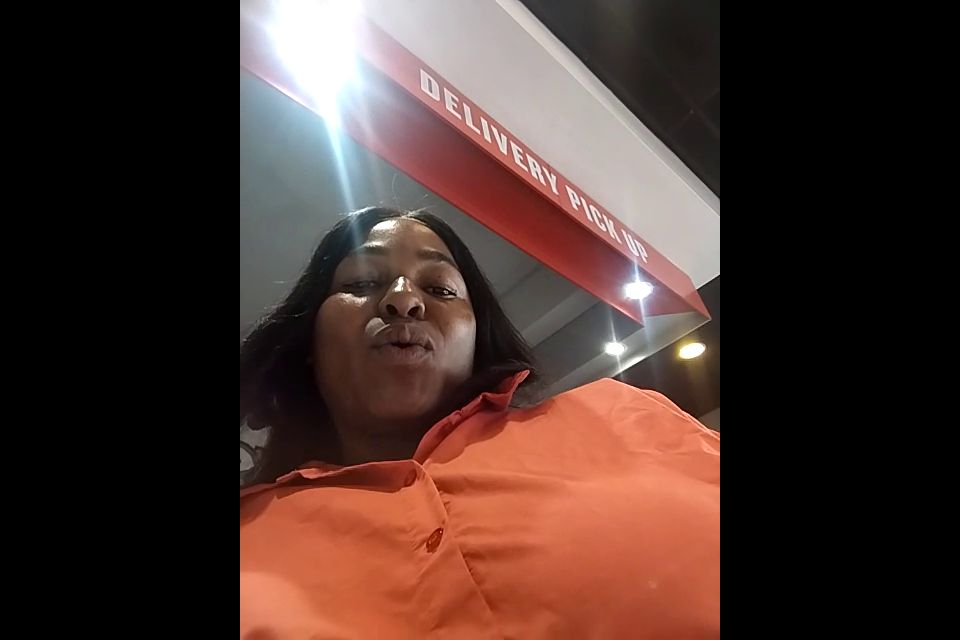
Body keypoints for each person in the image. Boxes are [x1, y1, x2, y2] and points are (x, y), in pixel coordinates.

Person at [240, 206, 719, 639]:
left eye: (440, 288)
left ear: (478, 336)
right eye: (362, 284)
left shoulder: (623, 414)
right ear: (309, 340)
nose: (403, 301)